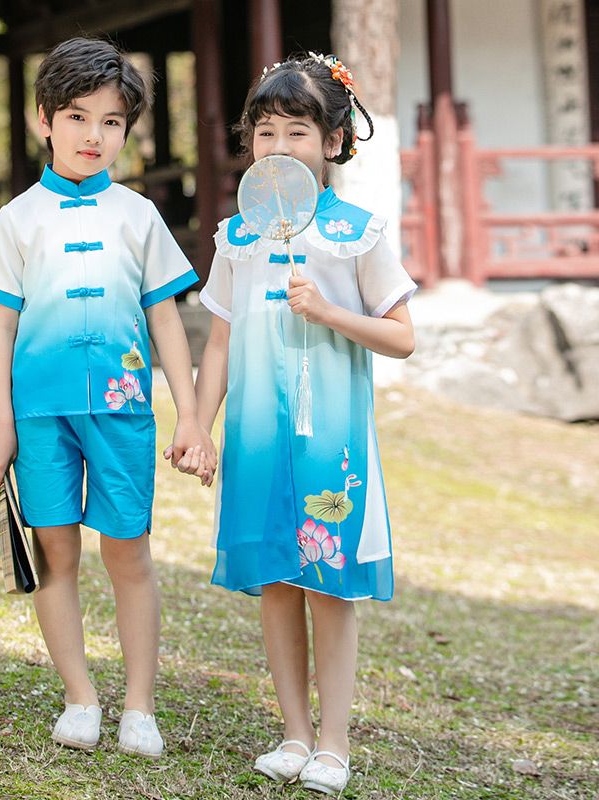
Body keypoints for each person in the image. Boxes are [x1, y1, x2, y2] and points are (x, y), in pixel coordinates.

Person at [0, 37, 216, 759]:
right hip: (39, 414)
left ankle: (139, 706)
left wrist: (191, 414)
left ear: (126, 131)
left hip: (123, 408)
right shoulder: (17, 219)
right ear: (46, 119)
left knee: (128, 554)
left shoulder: (137, 216)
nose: (94, 136)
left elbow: (167, 318)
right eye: (77, 118)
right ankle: (80, 697)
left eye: (111, 122)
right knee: (57, 555)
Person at [184, 52, 416, 794]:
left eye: (298, 133)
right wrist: (197, 423)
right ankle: (292, 734)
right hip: (256, 437)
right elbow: (217, 339)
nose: (279, 148)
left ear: (335, 143)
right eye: (266, 133)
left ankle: (334, 744)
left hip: (333, 441)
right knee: (279, 580)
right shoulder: (236, 238)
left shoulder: (359, 232)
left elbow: (403, 335)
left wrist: (329, 311)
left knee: (331, 585)